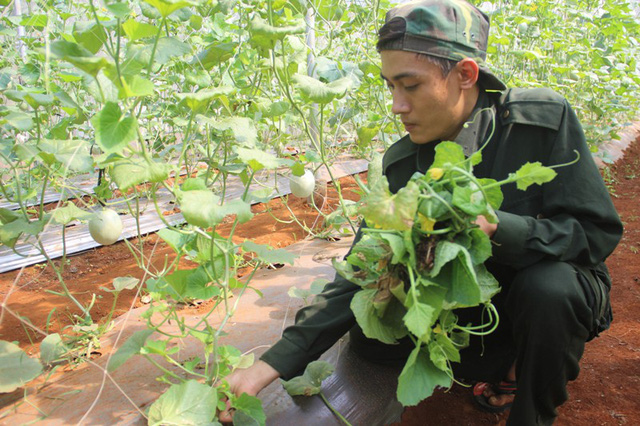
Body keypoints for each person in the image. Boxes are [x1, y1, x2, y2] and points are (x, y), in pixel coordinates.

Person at [220, 1, 623, 424]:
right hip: (470, 313)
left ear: (465, 75)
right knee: (373, 328)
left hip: (544, 302)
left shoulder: (537, 123)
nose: (397, 105)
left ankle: (528, 405)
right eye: (390, 86)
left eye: (409, 85)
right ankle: (487, 366)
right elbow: (361, 269)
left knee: (550, 288)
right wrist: (267, 366)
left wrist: (498, 227)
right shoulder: (405, 164)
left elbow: (595, 235)